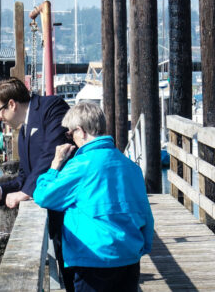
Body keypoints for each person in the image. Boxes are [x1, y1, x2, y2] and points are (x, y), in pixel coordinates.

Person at [33, 102, 154, 292]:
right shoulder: (131, 167)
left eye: (70, 134)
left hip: (93, 258)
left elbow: (42, 196)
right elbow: (146, 214)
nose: (71, 139)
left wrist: (55, 164)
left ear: (80, 131)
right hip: (128, 257)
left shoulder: (80, 166)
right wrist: (141, 248)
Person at [0, 77, 74, 291]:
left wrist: (25, 193)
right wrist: (1, 188)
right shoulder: (23, 132)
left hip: (72, 212)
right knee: (68, 275)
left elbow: (52, 153)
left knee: (76, 278)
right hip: (57, 216)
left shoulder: (52, 107)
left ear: (12, 104)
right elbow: (25, 174)